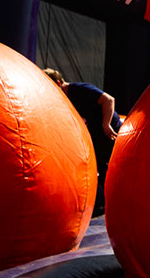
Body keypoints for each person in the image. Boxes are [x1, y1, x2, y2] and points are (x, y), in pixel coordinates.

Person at [44, 68, 120, 215]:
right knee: (97, 167)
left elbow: (109, 100)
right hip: (94, 134)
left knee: (109, 165)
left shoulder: (80, 90)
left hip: (109, 131)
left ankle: (109, 204)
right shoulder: (63, 101)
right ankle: (100, 204)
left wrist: (106, 124)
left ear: (59, 83)